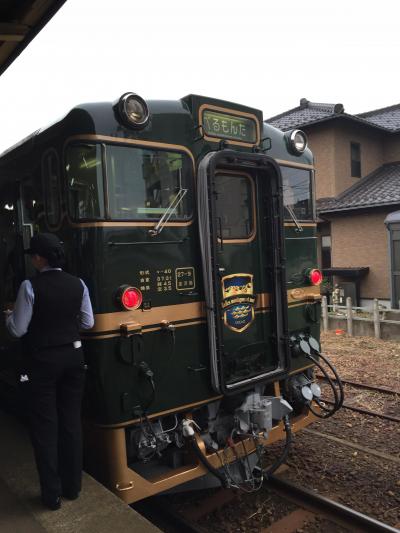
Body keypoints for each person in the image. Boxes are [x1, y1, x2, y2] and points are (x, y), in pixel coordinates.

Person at [4, 233, 94, 511]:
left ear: (40, 258)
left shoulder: (29, 286)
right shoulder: (78, 284)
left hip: (42, 362)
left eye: (34, 255)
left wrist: (8, 317)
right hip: (74, 358)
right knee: (71, 424)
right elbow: (88, 323)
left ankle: (52, 496)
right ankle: (73, 487)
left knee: (45, 427)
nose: (32, 259)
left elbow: (18, 330)